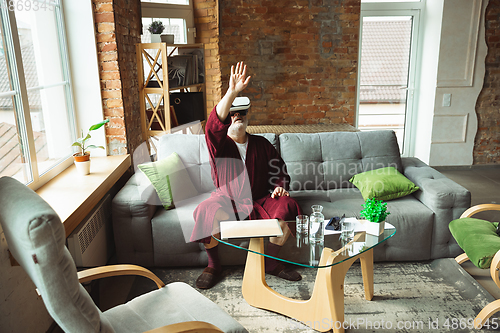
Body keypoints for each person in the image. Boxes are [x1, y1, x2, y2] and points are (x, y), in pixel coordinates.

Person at [191, 61, 303, 289]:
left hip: (259, 200)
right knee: (206, 209)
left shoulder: (262, 144)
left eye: (241, 113)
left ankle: (270, 264)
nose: (237, 117)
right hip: (227, 201)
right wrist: (232, 92)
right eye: (232, 114)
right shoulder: (219, 146)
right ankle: (213, 265)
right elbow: (212, 128)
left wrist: (280, 186)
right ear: (226, 120)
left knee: (288, 205)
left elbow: (279, 171)